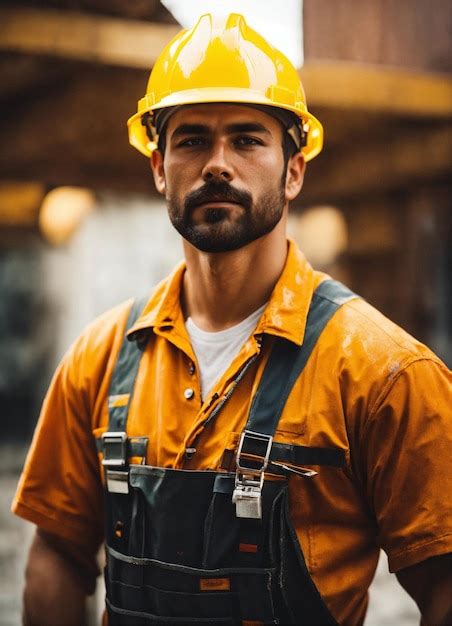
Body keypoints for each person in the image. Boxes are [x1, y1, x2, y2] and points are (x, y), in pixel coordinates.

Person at [13, 13, 452, 626]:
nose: (218, 164)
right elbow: (57, 553)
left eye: (248, 139)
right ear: (160, 167)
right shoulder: (99, 359)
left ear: (293, 170)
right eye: (191, 139)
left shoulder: (385, 372)